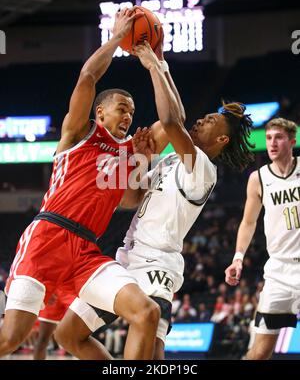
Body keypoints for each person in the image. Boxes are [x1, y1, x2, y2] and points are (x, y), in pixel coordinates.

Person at [0, 7, 182, 360]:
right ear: (100, 113)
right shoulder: (80, 133)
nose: (128, 115)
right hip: (47, 239)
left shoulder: (134, 148)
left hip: (86, 251)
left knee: (146, 312)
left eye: (131, 110)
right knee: (11, 339)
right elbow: (87, 77)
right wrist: (116, 38)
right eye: (120, 108)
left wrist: (158, 65)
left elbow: (174, 121)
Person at [54, 42, 254, 360]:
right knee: (68, 334)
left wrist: (155, 68)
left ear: (221, 140)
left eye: (210, 122)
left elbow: (172, 122)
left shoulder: (202, 168)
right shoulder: (172, 160)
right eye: (204, 118)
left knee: (148, 349)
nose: (202, 121)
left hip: (158, 264)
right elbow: (131, 199)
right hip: (126, 256)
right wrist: (143, 161)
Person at [225, 118, 300, 360]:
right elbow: (248, 222)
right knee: (259, 352)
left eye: (278, 137)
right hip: (279, 271)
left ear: (292, 141)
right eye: (268, 138)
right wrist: (238, 258)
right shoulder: (258, 179)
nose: (272, 143)